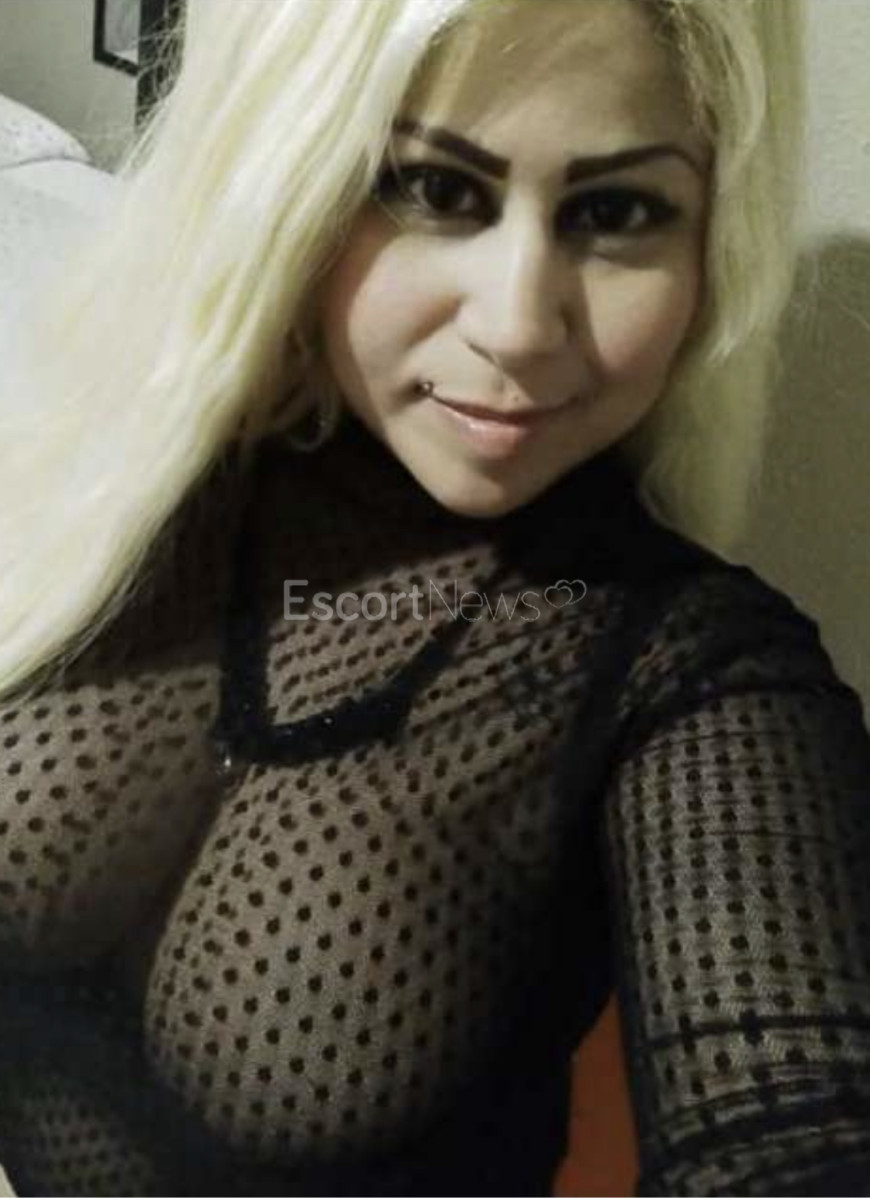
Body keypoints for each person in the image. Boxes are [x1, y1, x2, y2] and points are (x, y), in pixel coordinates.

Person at [1, 0, 870, 1194]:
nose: (517, 328)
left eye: (616, 212)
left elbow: (793, 1128)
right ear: (292, 188)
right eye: (432, 190)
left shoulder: (695, 676)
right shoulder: (116, 466)